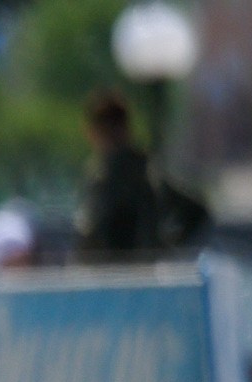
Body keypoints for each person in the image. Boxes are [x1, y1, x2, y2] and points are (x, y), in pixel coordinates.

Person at [75, 88, 209, 260]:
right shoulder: (102, 172)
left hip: (131, 273)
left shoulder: (142, 172)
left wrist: (164, 248)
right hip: (125, 273)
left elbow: (195, 212)